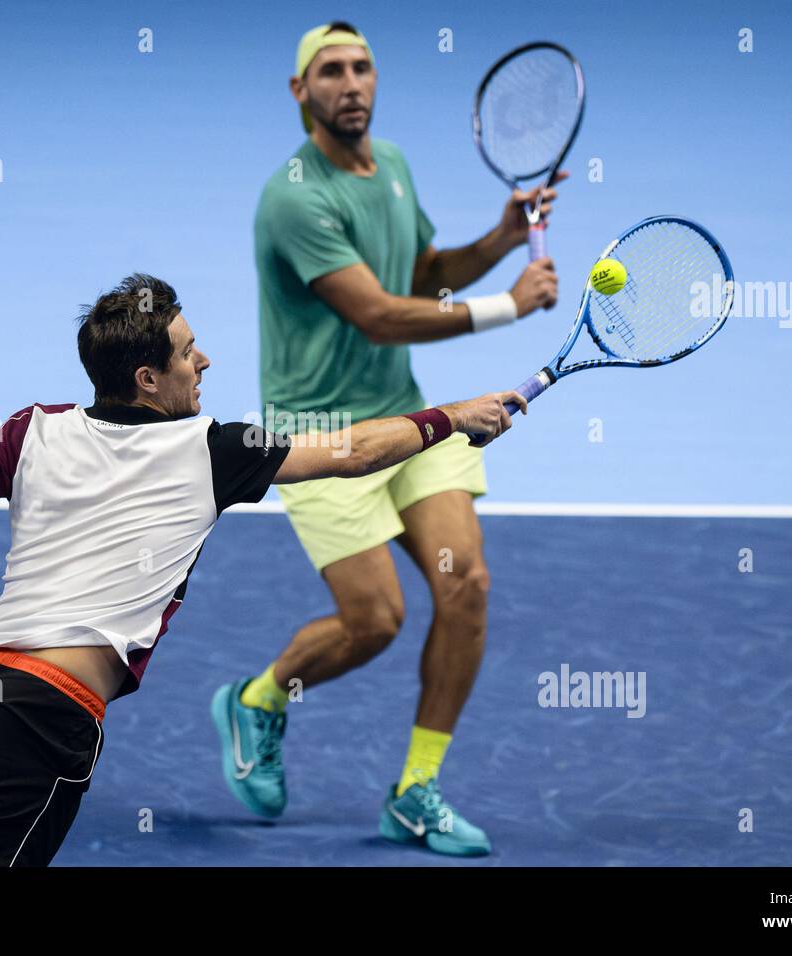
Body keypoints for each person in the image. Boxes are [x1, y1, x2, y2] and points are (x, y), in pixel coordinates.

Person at [0, 273, 524, 867]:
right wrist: (451, 416)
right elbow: (356, 453)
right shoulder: (213, 450)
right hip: (42, 720)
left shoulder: (35, 431)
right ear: (147, 379)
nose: (203, 364)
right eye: (188, 354)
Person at [210, 22, 565, 857]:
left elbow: (420, 277)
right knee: (374, 621)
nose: (351, 84)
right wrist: (511, 305)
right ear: (300, 93)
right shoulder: (293, 197)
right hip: (318, 438)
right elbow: (375, 315)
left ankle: (415, 790)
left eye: (362, 68)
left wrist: (501, 241)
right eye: (330, 71)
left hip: (406, 419)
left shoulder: (394, 167)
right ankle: (260, 699)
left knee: (467, 587)